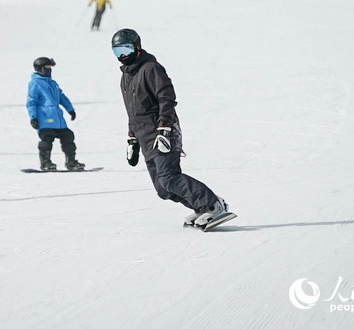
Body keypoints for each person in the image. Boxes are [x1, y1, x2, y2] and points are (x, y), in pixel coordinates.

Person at [111, 28, 231, 227]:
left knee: (169, 177)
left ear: (137, 47)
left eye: (126, 49)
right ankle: (200, 206)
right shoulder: (125, 78)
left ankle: (212, 205)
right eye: (117, 51)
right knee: (163, 189)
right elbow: (133, 112)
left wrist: (164, 129)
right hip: (146, 138)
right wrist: (132, 138)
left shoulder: (151, 68)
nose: (122, 55)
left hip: (162, 133)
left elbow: (166, 98)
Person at [26, 57, 85, 171]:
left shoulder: (52, 83)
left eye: (50, 68)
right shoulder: (35, 83)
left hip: (58, 119)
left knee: (68, 136)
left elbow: (62, 97)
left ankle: (71, 162)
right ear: (39, 69)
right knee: (46, 140)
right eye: (46, 68)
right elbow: (31, 102)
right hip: (45, 119)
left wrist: (70, 109)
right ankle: (45, 163)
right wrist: (33, 117)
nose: (49, 70)